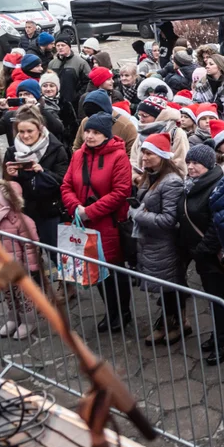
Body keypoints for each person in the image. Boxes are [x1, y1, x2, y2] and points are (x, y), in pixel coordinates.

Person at [60, 113, 133, 333]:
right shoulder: (78, 155)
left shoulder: (119, 157)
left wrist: (89, 212)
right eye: (88, 131)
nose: (90, 136)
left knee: (114, 271)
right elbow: (66, 185)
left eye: (96, 133)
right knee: (97, 271)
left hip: (108, 224)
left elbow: (121, 192)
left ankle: (123, 312)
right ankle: (110, 311)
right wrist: (76, 208)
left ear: (106, 135)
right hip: (84, 222)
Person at [129, 133, 186, 346]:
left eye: (149, 153)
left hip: (165, 244)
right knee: (165, 287)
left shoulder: (171, 181)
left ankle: (175, 326)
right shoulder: (150, 175)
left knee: (170, 285)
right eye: (143, 152)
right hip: (151, 243)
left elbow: (168, 219)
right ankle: (170, 323)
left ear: (162, 156)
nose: (144, 157)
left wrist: (137, 214)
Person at [175, 145, 224, 362]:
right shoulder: (191, 185)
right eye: (188, 162)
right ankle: (218, 336)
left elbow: (219, 224)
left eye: (196, 163)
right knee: (212, 298)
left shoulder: (217, 187)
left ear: (208, 164)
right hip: (200, 254)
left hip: (211, 255)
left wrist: (203, 249)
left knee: (220, 299)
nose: (191, 167)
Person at [0, 180, 42, 339]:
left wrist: (30, 268)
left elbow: (30, 246)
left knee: (24, 297)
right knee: (8, 296)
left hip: (17, 270)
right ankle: (13, 318)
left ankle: (28, 322)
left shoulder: (21, 221)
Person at [3, 105, 71, 248]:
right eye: (21, 132)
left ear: (39, 129)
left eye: (29, 131)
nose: (25, 136)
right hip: (24, 210)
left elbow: (63, 180)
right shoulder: (12, 152)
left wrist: (42, 171)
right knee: (30, 255)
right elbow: (6, 185)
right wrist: (12, 175)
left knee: (54, 251)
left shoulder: (56, 149)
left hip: (49, 211)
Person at [73, 90, 138, 153]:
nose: (93, 119)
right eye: (90, 116)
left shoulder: (126, 126)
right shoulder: (86, 122)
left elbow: (132, 155)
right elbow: (77, 146)